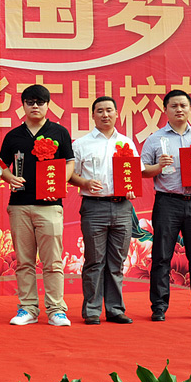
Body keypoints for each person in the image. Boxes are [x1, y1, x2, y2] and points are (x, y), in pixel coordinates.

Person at [140, 89, 191, 321]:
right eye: (174, 106)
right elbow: (142, 170)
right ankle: (159, 307)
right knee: (162, 256)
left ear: (189, 108)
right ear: (165, 109)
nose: (179, 110)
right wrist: (158, 167)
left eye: (183, 105)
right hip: (168, 202)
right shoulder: (155, 139)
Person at [0, 84, 75, 326]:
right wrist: (9, 178)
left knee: (52, 261)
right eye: (30, 102)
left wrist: (59, 184)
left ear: (48, 105)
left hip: (50, 205)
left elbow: (70, 162)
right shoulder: (13, 136)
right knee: (24, 261)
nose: (35, 106)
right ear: (23, 105)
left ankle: (56, 310)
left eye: (40, 102)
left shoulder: (59, 132)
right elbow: (0, 165)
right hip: (19, 205)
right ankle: (28, 308)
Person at [69, 96, 138, 325]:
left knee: (117, 261)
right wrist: (85, 183)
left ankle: (115, 309)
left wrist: (131, 187)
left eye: (109, 110)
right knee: (94, 260)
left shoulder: (127, 143)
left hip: (122, 207)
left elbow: (134, 173)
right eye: (100, 111)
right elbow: (70, 174)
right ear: (93, 115)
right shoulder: (81, 144)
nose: (105, 114)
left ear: (117, 113)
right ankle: (91, 310)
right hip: (94, 207)